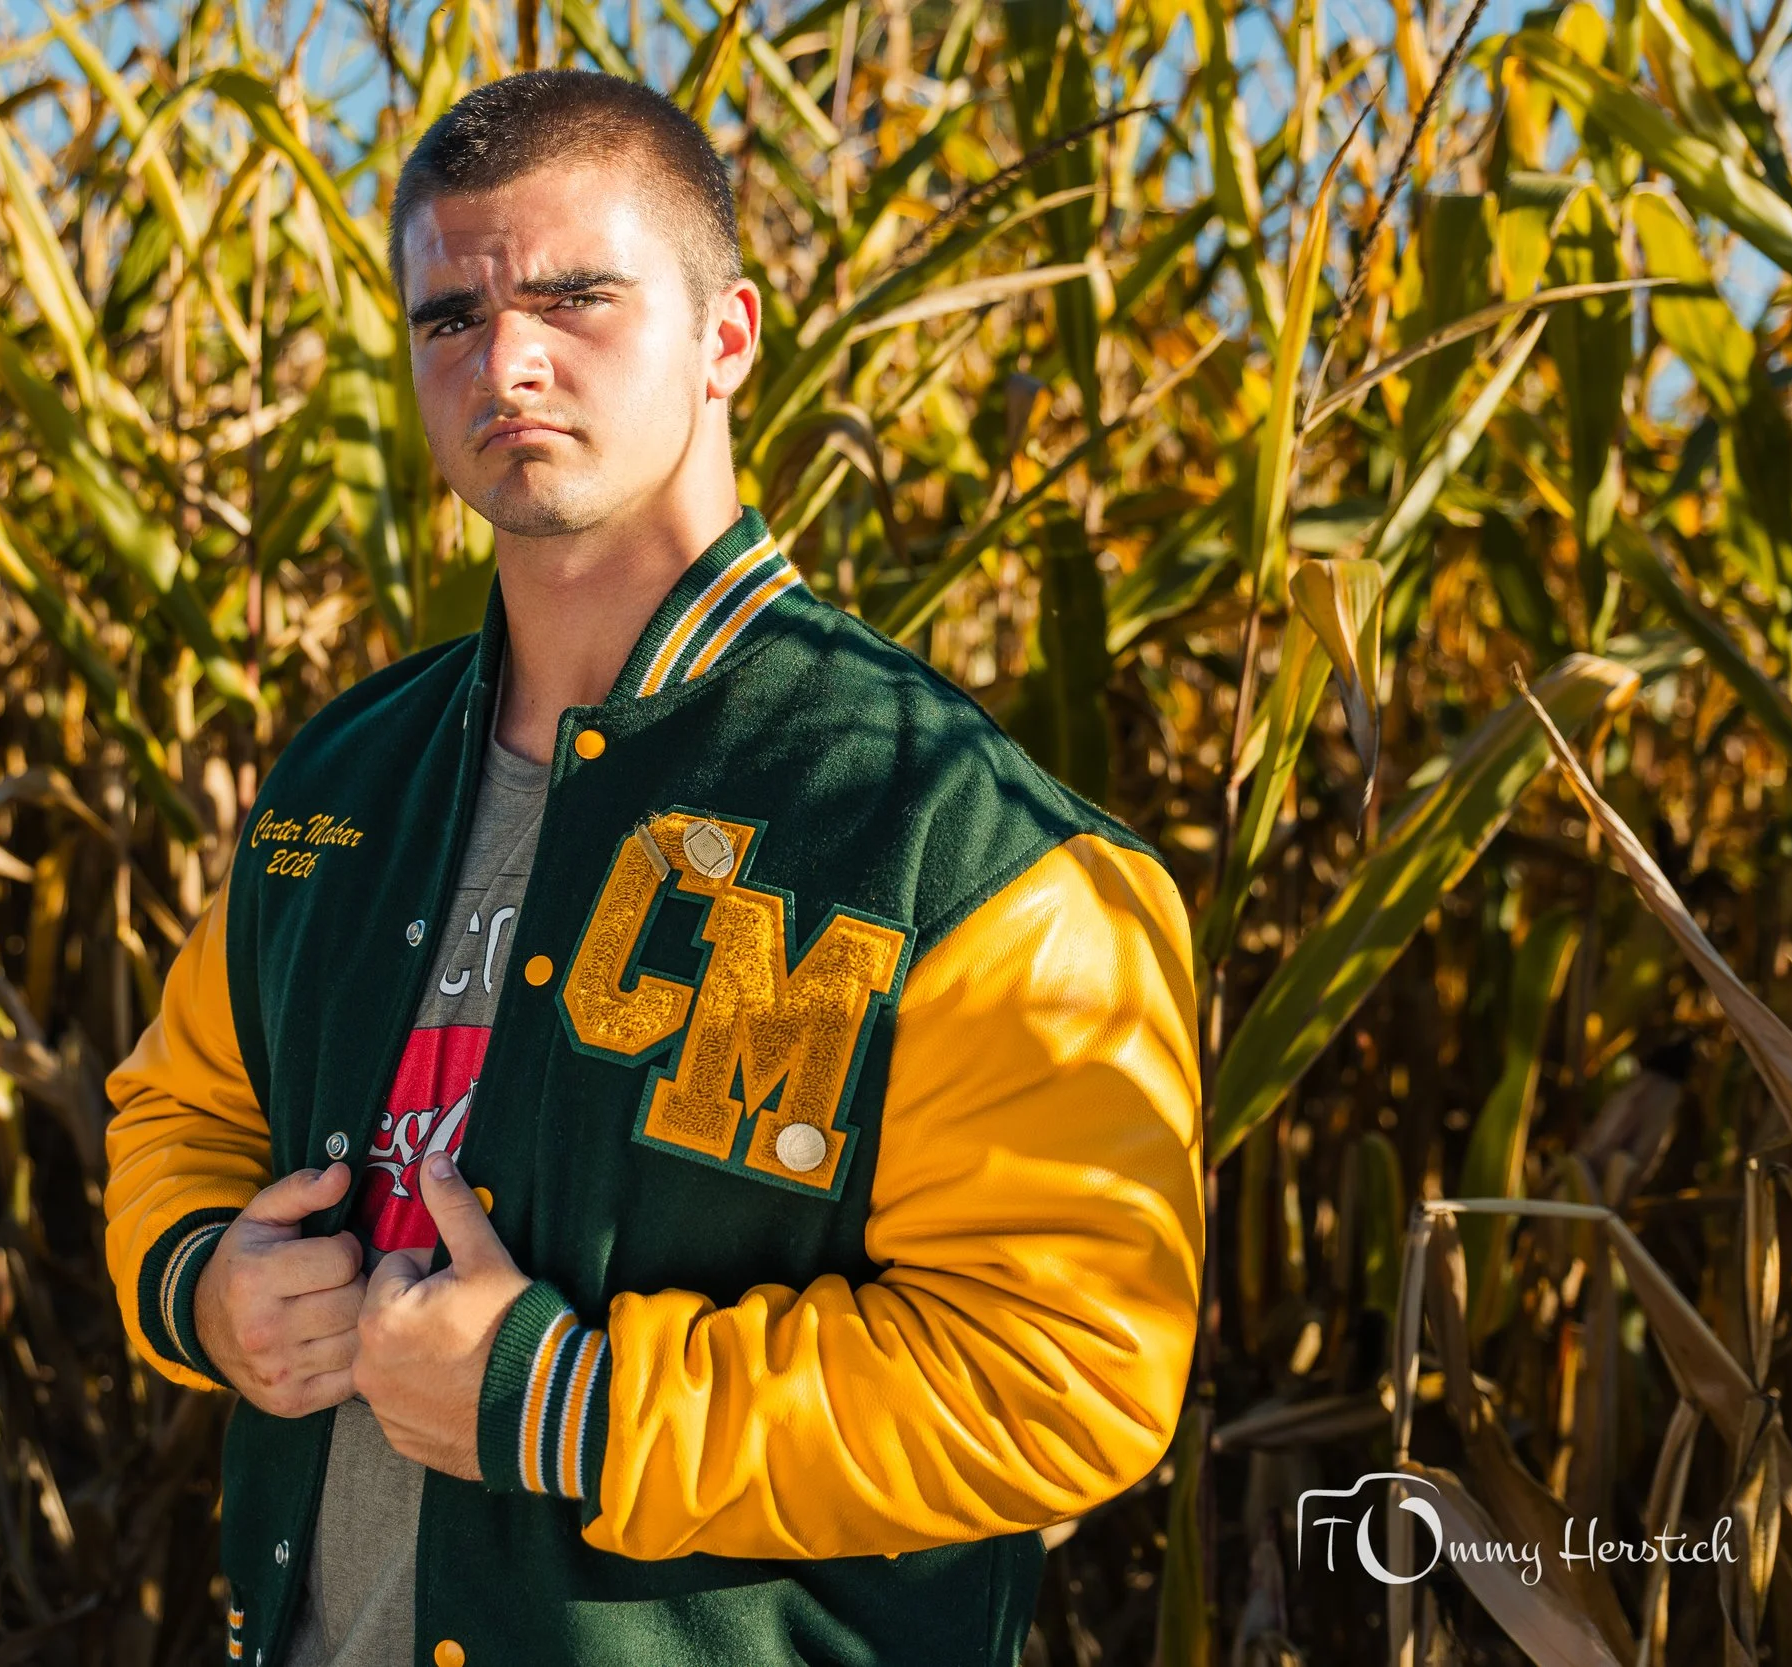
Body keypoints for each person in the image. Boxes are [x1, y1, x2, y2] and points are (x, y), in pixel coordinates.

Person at [103, 68, 1203, 1667]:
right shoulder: (341, 780)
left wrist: (565, 1404)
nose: (508, 362)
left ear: (726, 337)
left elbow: (1066, 1370)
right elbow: (181, 1110)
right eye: (448, 320)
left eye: (575, 298)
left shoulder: (968, 844)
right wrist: (206, 1283)